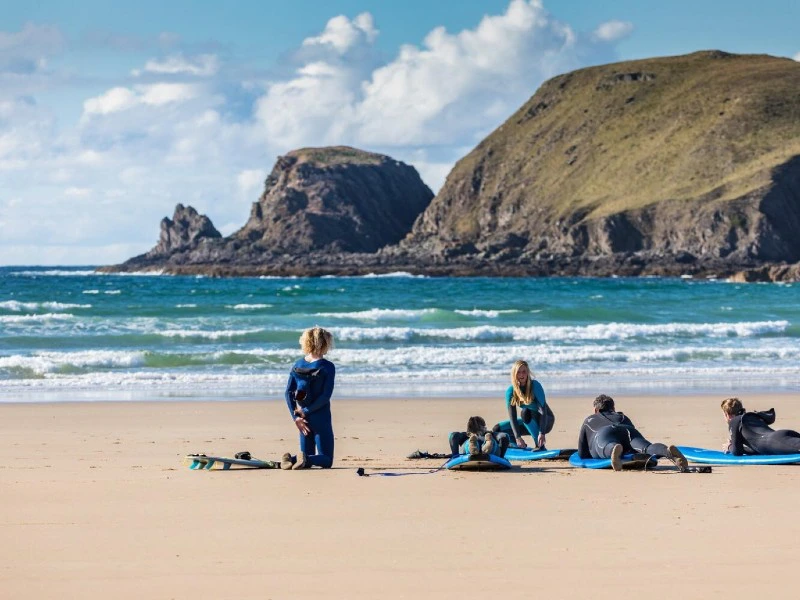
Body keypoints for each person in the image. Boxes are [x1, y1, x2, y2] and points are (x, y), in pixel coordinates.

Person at [577, 394, 688, 471]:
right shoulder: (623, 416)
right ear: (613, 408)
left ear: (596, 410)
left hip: (605, 433)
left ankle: (613, 449)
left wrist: (594, 450)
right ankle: (667, 451)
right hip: (627, 430)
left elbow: (582, 453)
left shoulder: (589, 419)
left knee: (604, 445)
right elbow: (633, 448)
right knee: (646, 447)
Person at [281, 326, 336, 470]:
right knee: (326, 459)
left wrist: (296, 417)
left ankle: (289, 459)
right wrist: (306, 410)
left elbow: (288, 392)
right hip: (320, 417)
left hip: (302, 419)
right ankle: (297, 459)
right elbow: (325, 396)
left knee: (306, 456)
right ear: (324, 343)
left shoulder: (298, 365)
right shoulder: (328, 367)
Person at [492, 360, 552, 450]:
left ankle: (539, 445)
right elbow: (512, 417)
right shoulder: (511, 391)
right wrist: (518, 437)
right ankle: (516, 445)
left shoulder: (535, 386)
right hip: (528, 421)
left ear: (528, 372)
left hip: (545, 420)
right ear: (514, 374)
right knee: (497, 429)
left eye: (524, 371)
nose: (521, 375)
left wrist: (542, 433)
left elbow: (542, 411)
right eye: (518, 372)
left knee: (525, 412)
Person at [721, 397, 800, 455]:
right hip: (782, 435)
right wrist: (743, 449)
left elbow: (736, 452)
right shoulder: (752, 417)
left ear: (727, 414)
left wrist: (729, 446)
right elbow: (757, 448)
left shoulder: (734, 421)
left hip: (774, 442)